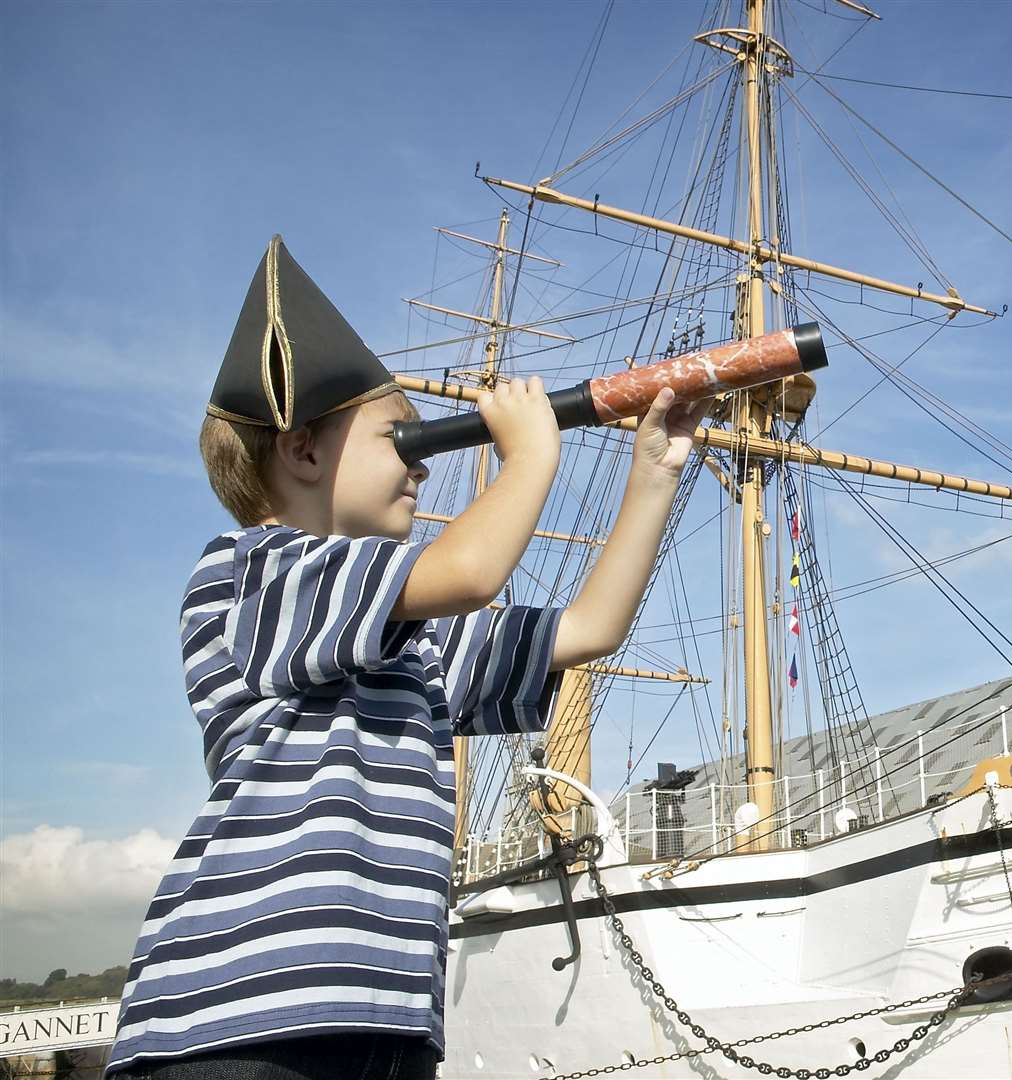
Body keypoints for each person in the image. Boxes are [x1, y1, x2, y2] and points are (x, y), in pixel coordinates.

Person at [107, 236, 708, 1079]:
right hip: (244, 1018)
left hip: (386, 1019)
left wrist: (653, 471)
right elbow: (466, 570)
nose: (422, 465)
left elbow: (586, 629)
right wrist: (530, 452)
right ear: (303, 450)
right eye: (402, 439)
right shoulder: (251, 572)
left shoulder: (411, 648)